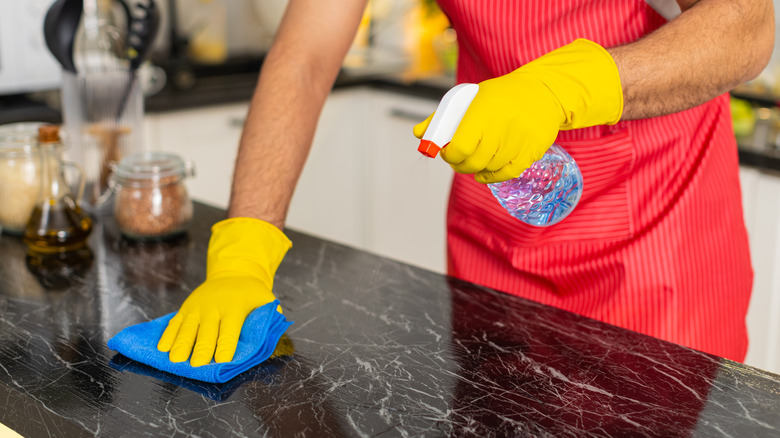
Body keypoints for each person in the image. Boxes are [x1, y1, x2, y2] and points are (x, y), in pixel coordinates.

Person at [155, 0, 775, 367]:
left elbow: (746, 26)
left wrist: (562, 91)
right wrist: (243, 252)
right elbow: (304, 55)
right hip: (495, 225)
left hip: (656, 234)